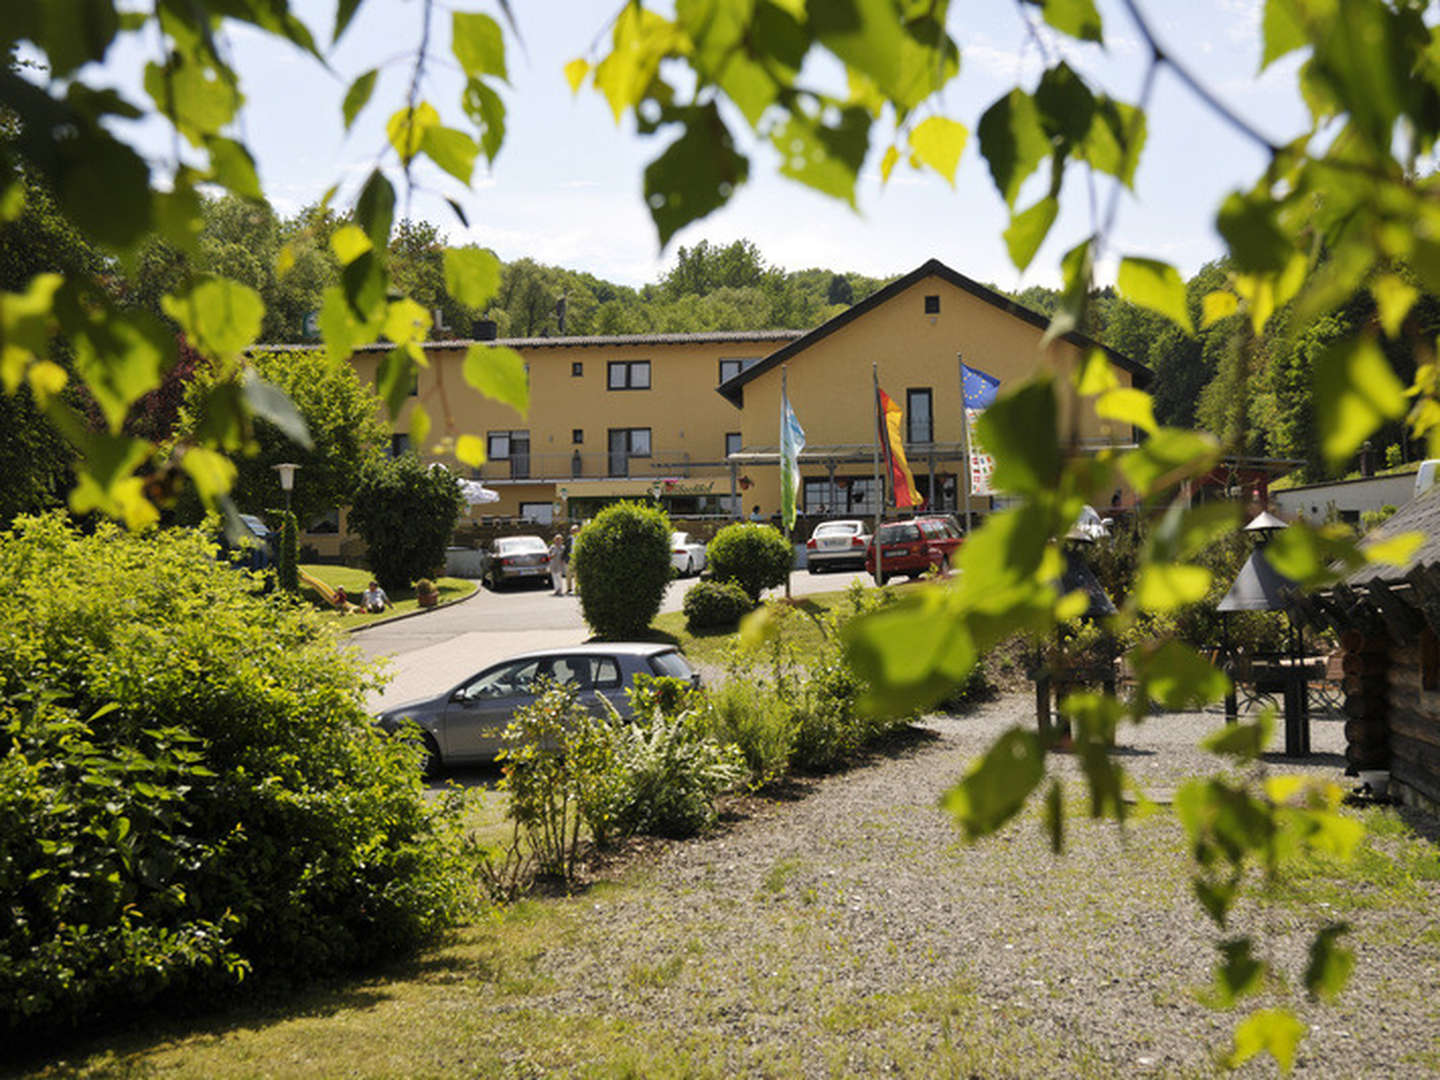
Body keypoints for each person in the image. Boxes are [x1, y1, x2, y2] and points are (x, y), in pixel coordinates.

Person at [564, 523, 580, 594]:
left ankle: (577, 589)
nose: (574, 531)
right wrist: (564, 558)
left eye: (576, 530)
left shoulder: (581, 538)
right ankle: (569, 589)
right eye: (573, 530)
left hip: (577, 557)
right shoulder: (569, 538)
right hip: (570, 558)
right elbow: (566, 548)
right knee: (568, 574)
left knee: (577, 575)